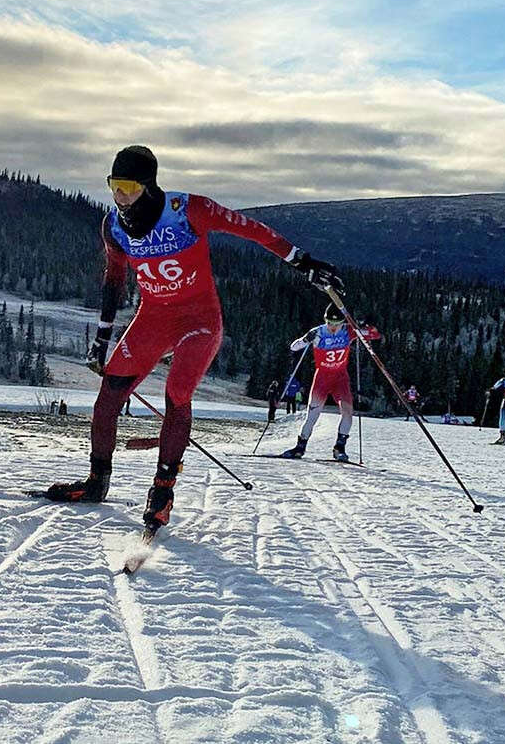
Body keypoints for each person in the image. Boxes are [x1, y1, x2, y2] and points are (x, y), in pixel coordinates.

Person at [45, 145, 341, 532]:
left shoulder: (187, 210)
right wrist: (102, 337)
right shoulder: (113, 226)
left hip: (198, 320)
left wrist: (303, 261)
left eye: (129, 188)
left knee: (177, 392)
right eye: (114, 186)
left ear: (149, 186)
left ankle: (162, 492)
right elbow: (114, 279)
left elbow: (252, 230)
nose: (120, 197)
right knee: (108, 398)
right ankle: (96, 482)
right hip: (153, 318)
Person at [280, 305, 380, 461]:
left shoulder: (348, 330)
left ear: (342, 322)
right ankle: (300, 447)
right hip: (322, 378)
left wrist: (366, 326)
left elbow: (374, 335)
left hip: (340, 378)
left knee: (347, 412)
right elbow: (294, 347)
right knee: (312, 414)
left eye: (337, 324)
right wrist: (306, 339)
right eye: (329, 323)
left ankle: (339, 448)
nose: (333, 327)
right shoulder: (318, 332)